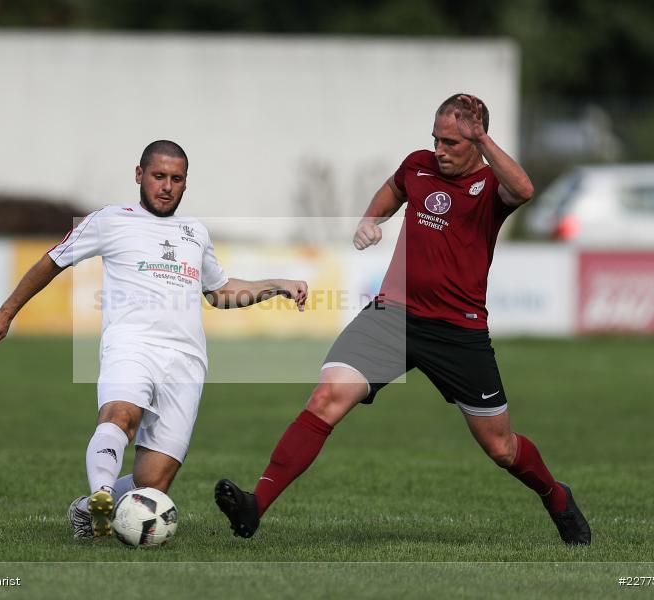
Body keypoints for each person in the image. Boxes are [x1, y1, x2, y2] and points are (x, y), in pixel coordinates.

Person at [214, 94, 592, 545]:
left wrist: (484, 140)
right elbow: (395, 188)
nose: (440, 149)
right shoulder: (418, 165)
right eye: (436, 138)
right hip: (392, 316)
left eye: (452, 141)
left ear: (476, 140)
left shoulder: (493, 186)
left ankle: (556, 497)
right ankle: (255, 505)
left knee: (500, 448)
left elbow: (525, 190)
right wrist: (369, 221)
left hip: (458, 331)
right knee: (327, 397)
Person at [0, 140, 308, 539]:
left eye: (176, 179)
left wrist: (276, 285)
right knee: (121, 415)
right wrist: (7, 311)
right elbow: (53, 259)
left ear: (185, 183)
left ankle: (87, 510)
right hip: (131, 345)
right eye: (158, 176)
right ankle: (101, 493)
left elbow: (218, 291)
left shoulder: (195, 232)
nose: (167, 186)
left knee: (151, 485)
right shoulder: (110, 220)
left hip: (186, 361)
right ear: (139, 175)